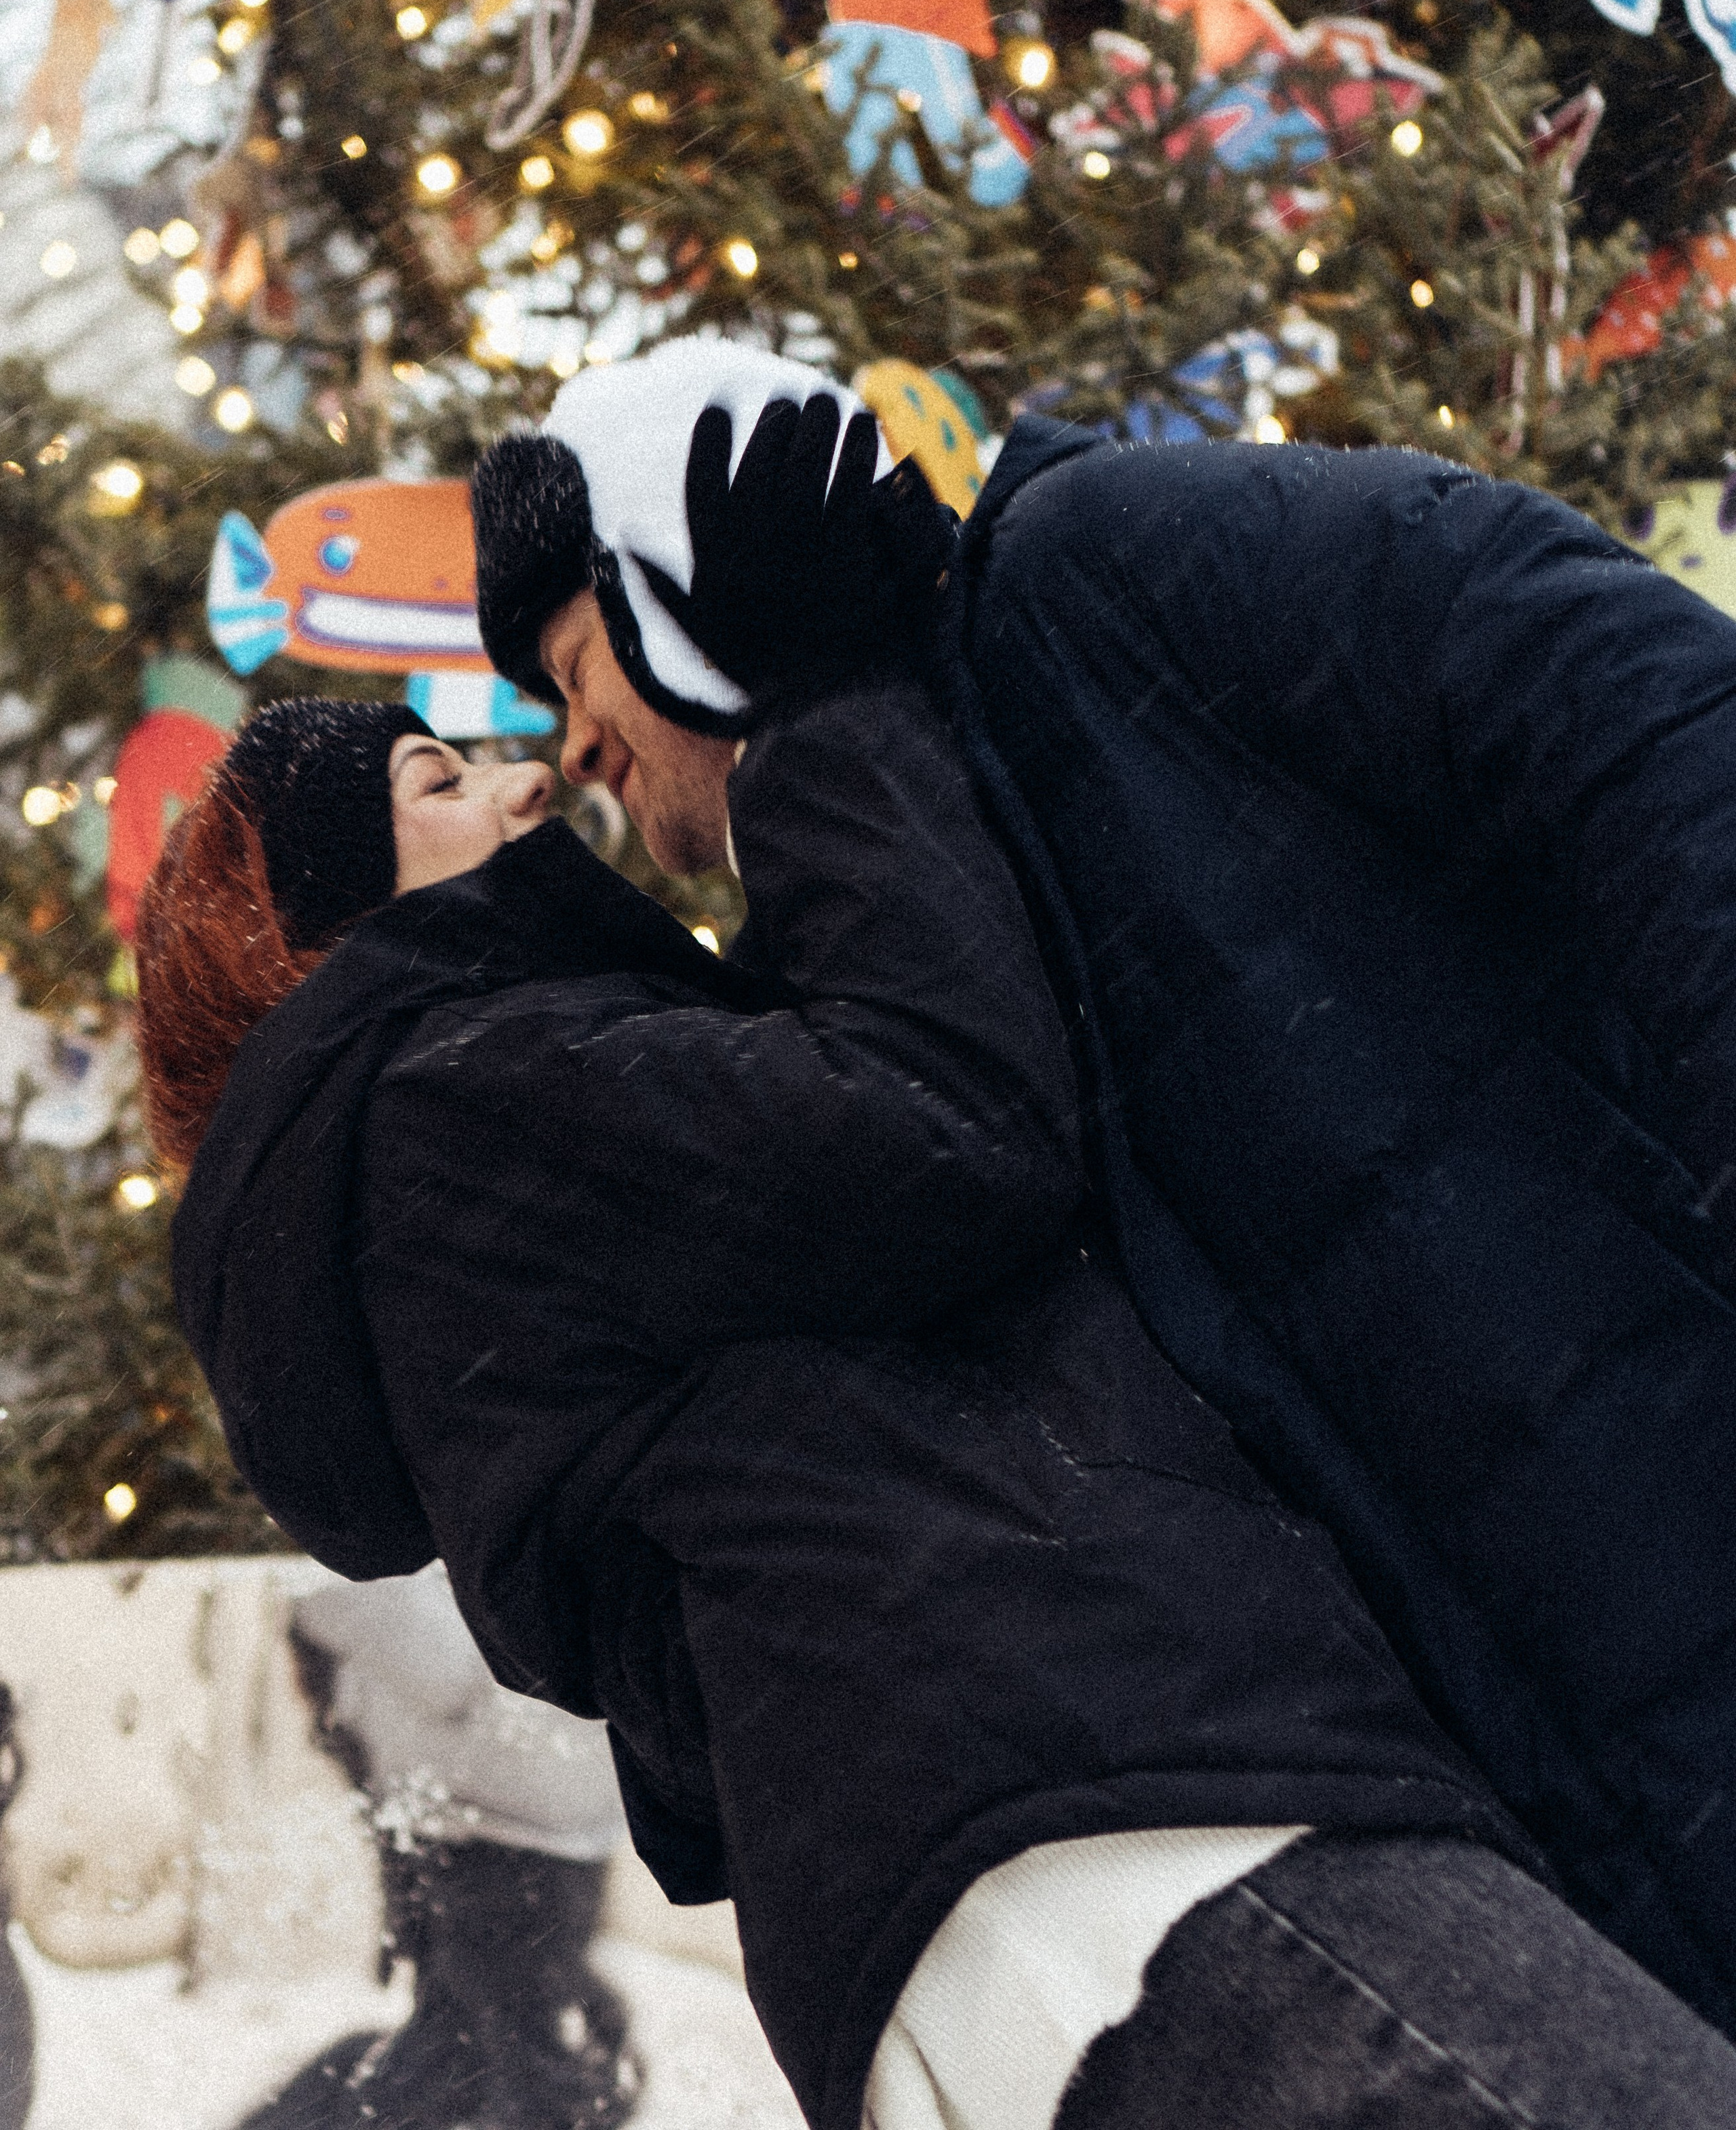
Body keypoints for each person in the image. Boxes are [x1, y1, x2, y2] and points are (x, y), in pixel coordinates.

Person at [140, 682, 1736, 2123]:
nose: (526, 780)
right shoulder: (457, 1095)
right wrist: (820, 691)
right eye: (436, 782)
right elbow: (943, 1118)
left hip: (1019, 1883)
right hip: (1124, 1820)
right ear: (321, 934)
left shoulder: (467, 1162)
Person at [470, 336, 1736, 2043]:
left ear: (675, 574)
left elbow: (1623, 697)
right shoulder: (866, 952)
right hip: (1517, 1762)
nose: (570, 750)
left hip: (1667, 1480)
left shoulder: (1099, 567)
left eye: (574, 668)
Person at [237, 1564, 637, 2129]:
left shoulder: (365, 1548)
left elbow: (439, 1667)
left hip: (495, 1824)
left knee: (478, 2050)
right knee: (480, 2044)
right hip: (527, 1817)